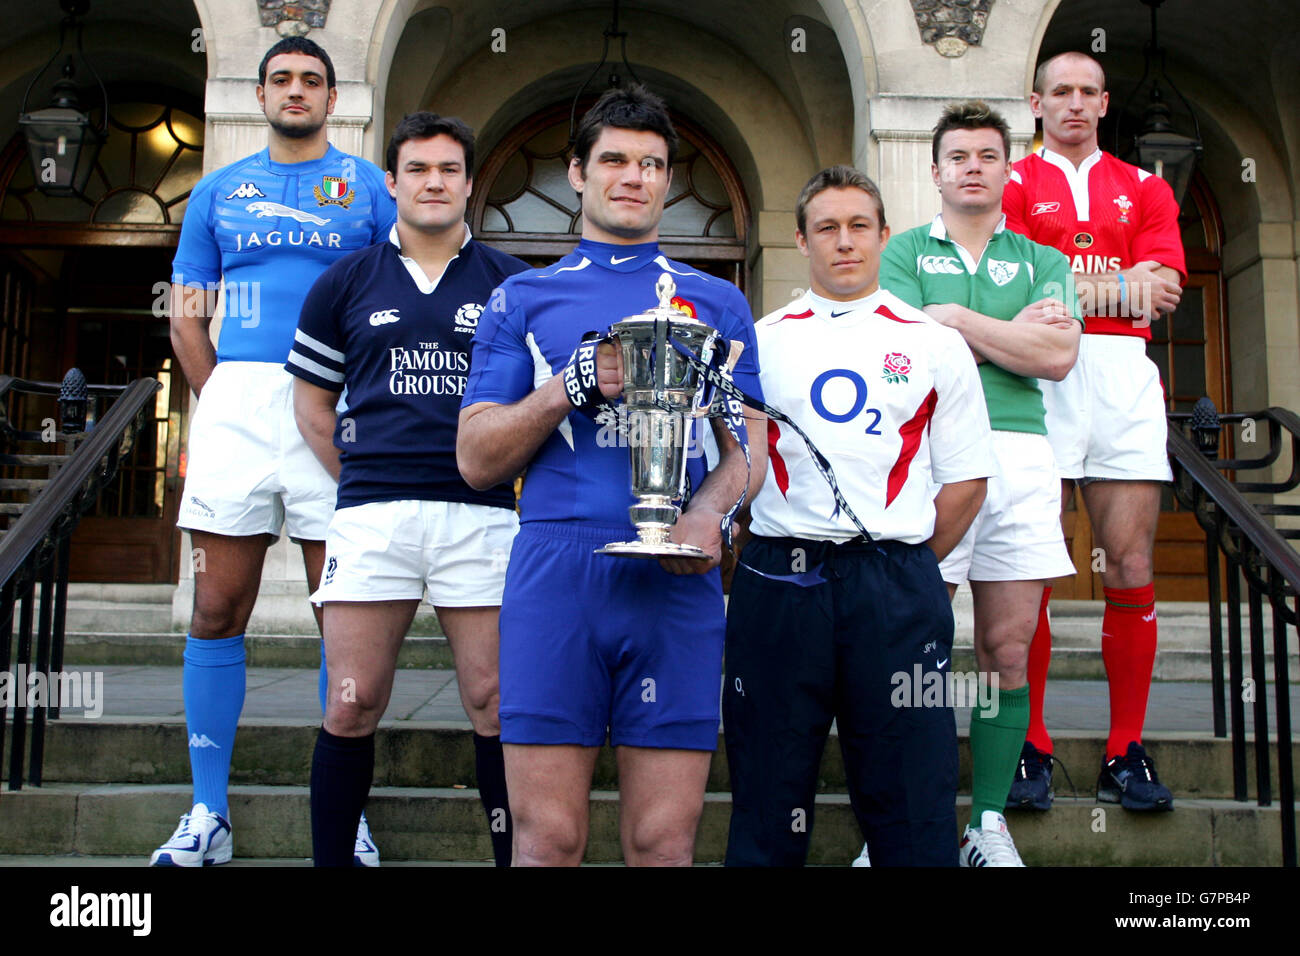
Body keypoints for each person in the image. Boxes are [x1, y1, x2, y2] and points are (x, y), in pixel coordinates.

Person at [457, 84, 767, 866]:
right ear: (577, 174)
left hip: (676, 572)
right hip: (558, 570)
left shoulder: (718, 304)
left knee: (662, 841)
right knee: (548, 838)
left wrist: (708, 516)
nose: (635, 176)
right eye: (616, 160)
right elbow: (476, 457)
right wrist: (574, 383)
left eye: (654, 164)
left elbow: (749, 451)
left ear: (667, 179)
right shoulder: (521, 297)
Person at [154, 37, 395, 866]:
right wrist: (217, 393)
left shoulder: (368, 186)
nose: (297, 91)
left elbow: (396, 291)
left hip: (335, 402)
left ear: (332, 98)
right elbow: (188, 310)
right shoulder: (217, 190)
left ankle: (345, 810)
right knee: (218, 607)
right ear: (260, 93)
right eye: (283, 79)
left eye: (312, 81)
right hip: (240, 400)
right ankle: (207, 812)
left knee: (346, 613)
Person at [723, 165, 993, 867]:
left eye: (859, 227)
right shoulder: (760, 341)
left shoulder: (934, 343)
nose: (844, 242)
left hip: (895, 587)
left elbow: (965, 481)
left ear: (883, 235)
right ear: (802, 240)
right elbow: (737, 465)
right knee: (766, 791)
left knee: (913, 794)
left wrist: (898, 569)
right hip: (779, 580)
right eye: (827, 228)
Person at [288, 112, 529, 867]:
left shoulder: (512, 284)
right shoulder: (345, 280)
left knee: (494, 705)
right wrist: (365, 477)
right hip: (371, 517)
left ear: (468, 183)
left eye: (449, 169)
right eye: (419, 169)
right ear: (391, 182)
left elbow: (542, 405)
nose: (434, 182)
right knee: (352, 703)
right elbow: (312, 405)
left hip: (483, 516)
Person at [879, 100, 1082, 866]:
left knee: (1007, 646)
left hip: (1025, 456)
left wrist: (956, 317)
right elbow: (906, 349)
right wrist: (1011, 334)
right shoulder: (899, 252)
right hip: (929, 453)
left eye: (987, 155)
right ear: (936, 172)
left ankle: (986, 824)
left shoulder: (1044, 259)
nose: (972, 165)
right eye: (958, 155)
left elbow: (1057, 359)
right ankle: (901, 825)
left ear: (1007, 169)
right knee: (913, 648)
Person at [1002, 51, 1186, 812]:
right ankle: (1031, 746)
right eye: (1060, 92)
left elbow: (1167, 289)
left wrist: (1066, 287)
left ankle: (1124, 751)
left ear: (1104, 103)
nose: (1074, 104)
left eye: (1087, 92)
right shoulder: (1012, 181)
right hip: (1039, 371)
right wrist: (1117, 285)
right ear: (1036, 101)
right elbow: (1011, 287)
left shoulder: (1143, 185)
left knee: (1131, 563)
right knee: (1032, 562)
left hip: (1120, 374)